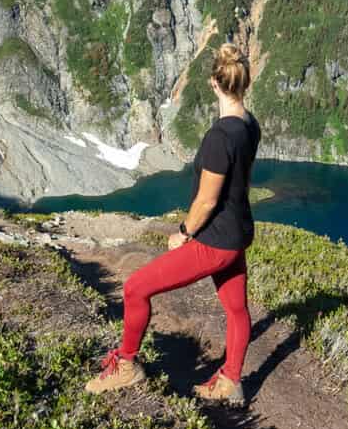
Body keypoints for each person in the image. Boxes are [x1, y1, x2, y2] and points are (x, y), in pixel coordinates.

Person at [85, 42, 262, 405]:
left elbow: (207, 200)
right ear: (245, 83)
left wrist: (183, 234)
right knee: (236, 308)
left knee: (136, 289)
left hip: (214, 240)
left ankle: (127, 366)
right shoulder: (249, 125)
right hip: (238, 233)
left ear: (214, 83)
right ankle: (230, 380)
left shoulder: (220, 137)